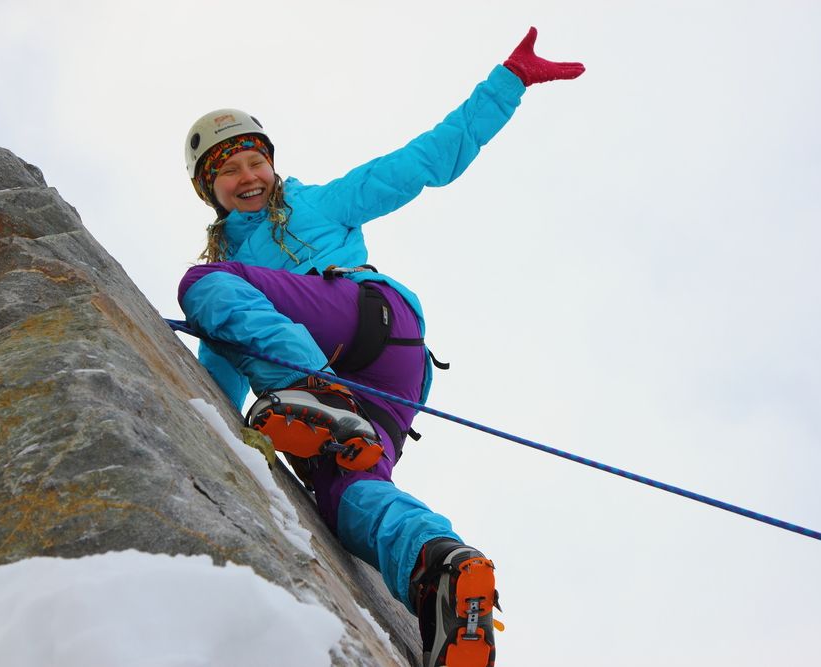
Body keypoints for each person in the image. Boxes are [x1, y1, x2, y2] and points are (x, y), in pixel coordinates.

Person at [177, 27, 584, 667]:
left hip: (363, 321)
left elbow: (424, 160)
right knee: (346, 496)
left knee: (203, 286)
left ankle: (313, 395)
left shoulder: (312, 210)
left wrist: (507, 84)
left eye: (255, 161)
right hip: (391, 384)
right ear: (210, 190)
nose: (247, 176)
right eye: (227, 171)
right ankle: (444, 572)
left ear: (273, 165)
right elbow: (218, 378)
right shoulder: (236, 284)